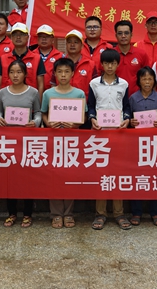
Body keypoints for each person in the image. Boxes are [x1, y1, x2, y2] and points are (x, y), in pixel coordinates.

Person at [0, 60, 42, 228]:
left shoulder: (33, 92)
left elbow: (38, 112)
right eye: (12, 72)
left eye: (19, 72)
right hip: (8, 141)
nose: (15, 75)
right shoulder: (2, 92)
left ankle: (27, 214)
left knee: (27, 178)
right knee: (10, 179)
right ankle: (12, 213)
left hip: (27, 141)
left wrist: (35, 122)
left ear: (25, 74)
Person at [88, 49, 131, 230]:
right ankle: (100, 214)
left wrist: (127, 119)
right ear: (102, 65)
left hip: (118, 133)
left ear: (117, 64)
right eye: (107, 63)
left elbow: (127, 107)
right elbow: (90, 106)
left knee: (117, 173)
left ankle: (119, 213)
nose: (110, 66)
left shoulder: (124, 84)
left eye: (113, 63)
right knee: (101, 174)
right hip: (99, 134)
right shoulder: (94, 84)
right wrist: (92, 118)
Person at [41, 58, 87, 229]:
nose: (63, 75)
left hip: (72, 141)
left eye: (67, 71)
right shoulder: (48, 94)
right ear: (54, 73)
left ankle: (68, 213)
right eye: (59, 71)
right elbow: (43, 113)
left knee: (70, 177)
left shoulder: (79, 94)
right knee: (53, 177)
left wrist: (75, 124)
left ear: (73, 73)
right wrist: (48, 123)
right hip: (53, 141)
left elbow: (83, 117)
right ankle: (55, 214)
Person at [128, 67, 157, 227]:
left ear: (154, 81)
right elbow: (127, 117)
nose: (147, 82)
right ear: (139, 81)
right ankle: (136, 212)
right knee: (137, 177)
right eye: (144, 79)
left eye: (150, 79)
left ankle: (155, 211)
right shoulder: (133, 98)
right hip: (136, 144)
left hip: (154, 143)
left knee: (155, 177)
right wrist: (130, 122)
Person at [0, 23, 45, 102]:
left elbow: (41, 85)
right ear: (11, 37)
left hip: (29, 102)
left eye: (21, 34)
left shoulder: (37, 58)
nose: (18, 37)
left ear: (27, 37)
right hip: (7, 102)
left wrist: (38, 105)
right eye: (15, 34)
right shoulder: (3, 58)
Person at [113, 20, 149, 96]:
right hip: (114, 97)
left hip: (137, 97)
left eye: (126, 33)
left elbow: (147, 77)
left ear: (131, 35)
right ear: (116, 35)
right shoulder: (110, 54)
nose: (123, 36)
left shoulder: (141, 54)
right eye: (120, 33)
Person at [63, 29, 95, 98]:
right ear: (66, 45)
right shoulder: (59, 63)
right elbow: (53, 85)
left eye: (76, 42)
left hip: (84, 102)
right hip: (62, 102)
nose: (72, 45)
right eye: (69, 42)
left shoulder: (90, 64)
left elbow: (95, 87)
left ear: (82, 46)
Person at [34, 24, 64, 91]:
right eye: (41, 36)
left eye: (47, 36)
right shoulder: (30, 55)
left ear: (52, 39)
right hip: (34, 93)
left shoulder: (61, 56)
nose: (43, 39)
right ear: (37, 39)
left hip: (53, 92)